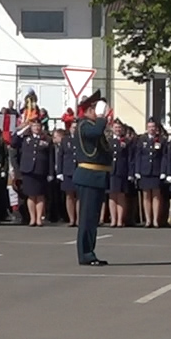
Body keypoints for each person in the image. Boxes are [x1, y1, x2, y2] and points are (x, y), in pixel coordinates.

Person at [71, 93, 111, 266]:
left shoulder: (91, 124)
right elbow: (95, 133)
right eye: (95, 109)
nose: (98, 113)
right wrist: (102, 118)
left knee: (93, 219)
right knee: (87, 218)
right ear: (89, 110)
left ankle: (90, 252)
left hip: (96, 177)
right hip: (89, 176)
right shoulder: (84, 125)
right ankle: (85, 254)